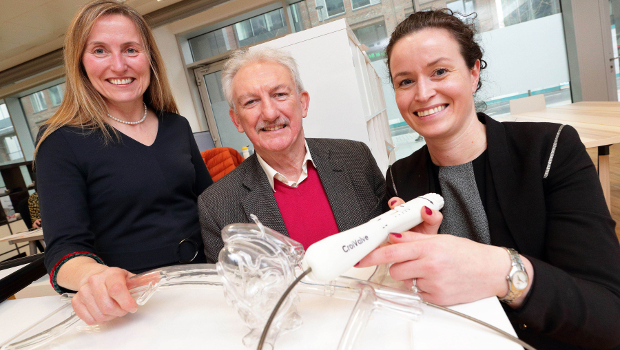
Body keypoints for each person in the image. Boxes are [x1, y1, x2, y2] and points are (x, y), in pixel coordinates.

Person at [356, 9, 620, 350]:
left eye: (439, 71)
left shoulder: (550, 150)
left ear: (473, 72)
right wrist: (408, 268)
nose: (422, 93)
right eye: (405, 81)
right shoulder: (399, 177)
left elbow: (609, 317)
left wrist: (502, 271)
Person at [35, 0, 213, 325]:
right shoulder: (60, 141)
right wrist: (93, 276)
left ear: (149, 58)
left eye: (131, 49)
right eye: (100, 51)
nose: (119, 65)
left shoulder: (176, 125)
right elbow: (64, 249)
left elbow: (212, 204)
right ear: (80, 62)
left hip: (207, 282)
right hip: (134, 305)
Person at [199, 47, 387, 262]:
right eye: (251, 102)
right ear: (237, 120)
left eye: (279, 95)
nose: (270, 113)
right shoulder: (217, 205)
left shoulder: (356, 158)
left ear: (303, 103)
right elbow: (231, 290)